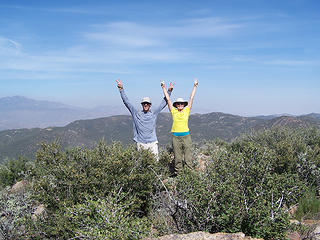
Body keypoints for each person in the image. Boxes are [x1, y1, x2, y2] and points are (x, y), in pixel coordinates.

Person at [116, 79, 173, 160]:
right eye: (144, 103)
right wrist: (121, 90)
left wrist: (169, 91)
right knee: (141, 164)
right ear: (142, 105)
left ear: (150, 105)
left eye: (147, 103)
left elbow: (163, 103)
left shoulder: (153, 113)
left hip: (152, 143)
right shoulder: (136, 114)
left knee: (155, 162)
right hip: (141, 143)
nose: (145, 105)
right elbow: (127, 102)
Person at [161, 79, 198, 175]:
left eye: (182, 104)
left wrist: (195, 86)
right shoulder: (173, 111)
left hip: (186, 136)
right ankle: (179, 174)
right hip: (175, 137)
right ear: (176, 105)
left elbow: (191, 98)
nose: (180, 105)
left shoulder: (186, 110)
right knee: (177, 157)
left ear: (184, 105)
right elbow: (168, 99)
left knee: (188, 156)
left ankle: (190, 174)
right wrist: (163, 87)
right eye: (178, 104)